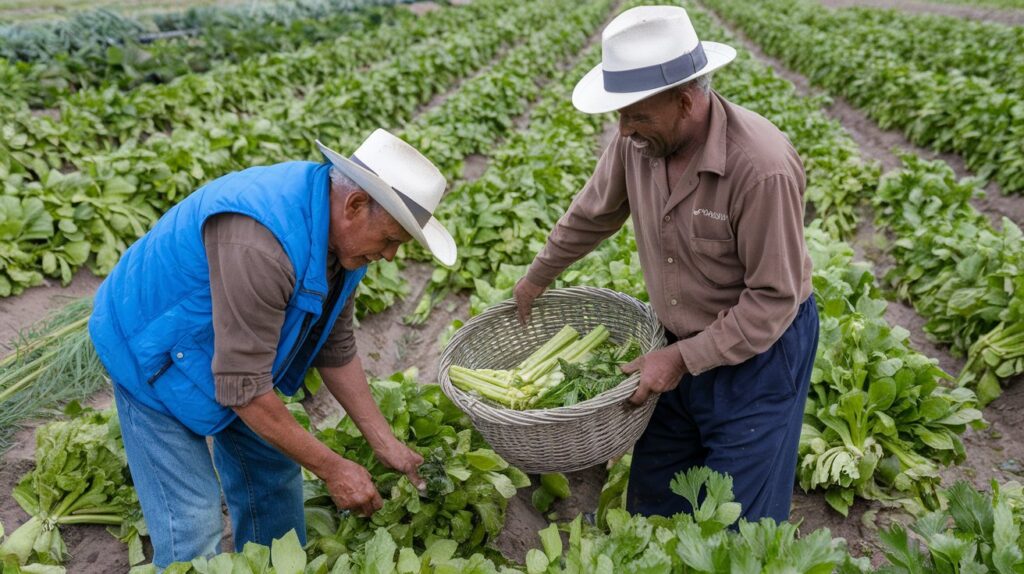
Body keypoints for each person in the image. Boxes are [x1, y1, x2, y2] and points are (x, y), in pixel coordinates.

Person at [88, 129, 457, 567]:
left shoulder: (344, 243)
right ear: (355, 205)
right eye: (392, 239)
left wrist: (384, 442)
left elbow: (335, 345)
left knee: (275, 474)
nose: (392, 255)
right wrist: (334, 469)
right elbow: (244, 390)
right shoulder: (262, 242)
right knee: (192, 523)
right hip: (150, 347)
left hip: (232, 348)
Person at [514, 6, 818, 522]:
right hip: (672, 342)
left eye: (635, 115)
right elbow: (594, 213)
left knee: (740, 520)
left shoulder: (760, 168)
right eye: (620, 115)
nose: (624, 129)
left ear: (685, 101)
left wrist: (679, 361)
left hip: (759, 357)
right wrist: (535, 278)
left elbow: (773, 298)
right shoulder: (638, 142)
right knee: (655, 501)